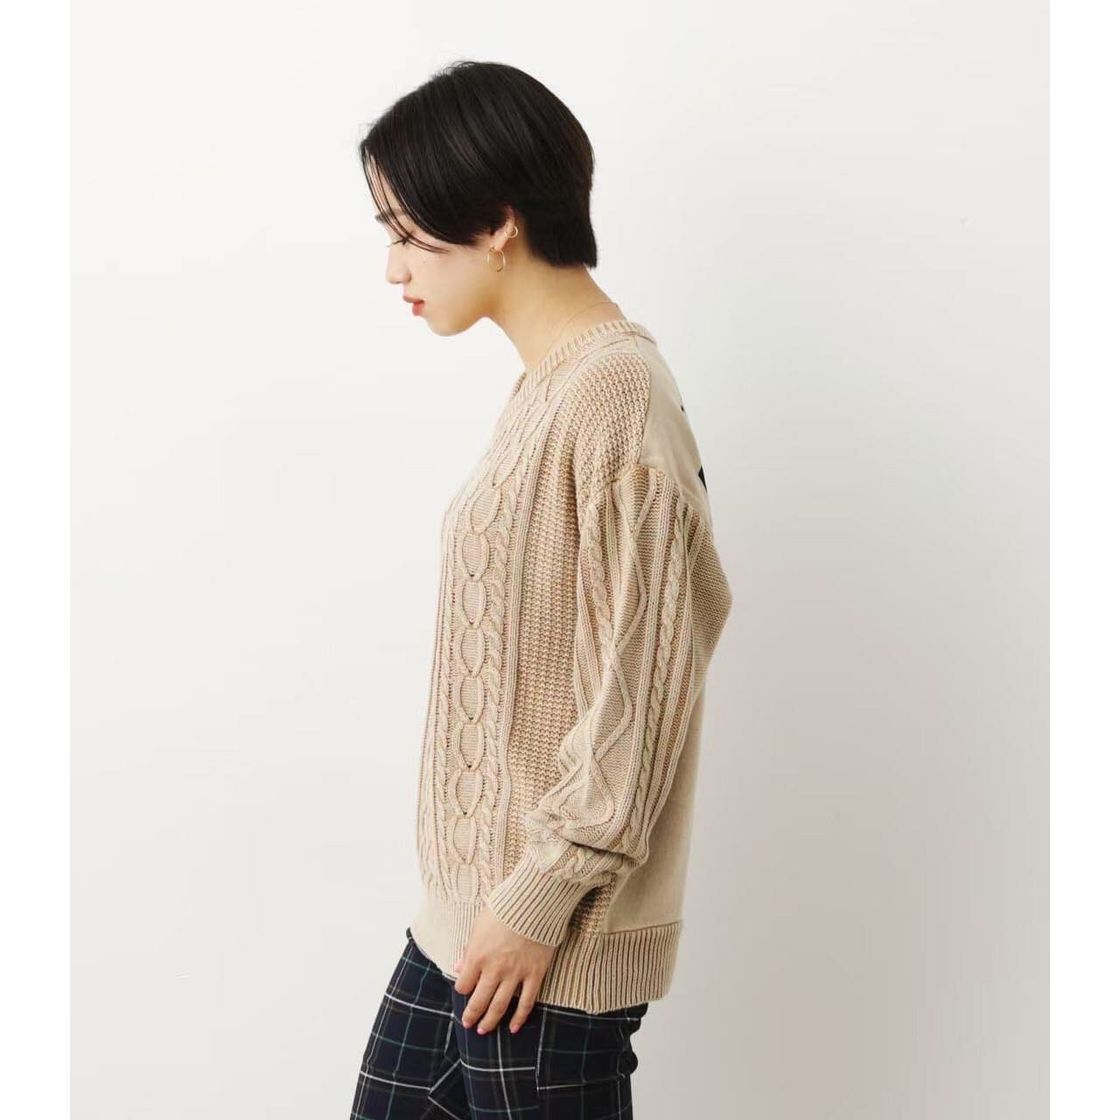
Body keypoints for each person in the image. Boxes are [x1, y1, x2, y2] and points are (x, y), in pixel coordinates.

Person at [349, 60, 733, 1119]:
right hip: (464, 929)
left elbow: (643, 691)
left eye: (409, 234)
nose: (392, 267)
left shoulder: (616, 398)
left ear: (498, 223)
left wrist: (538, 897)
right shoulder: (548, 390)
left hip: (544, 950)